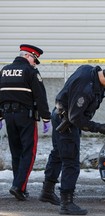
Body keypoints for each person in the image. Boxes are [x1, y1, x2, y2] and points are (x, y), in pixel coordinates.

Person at [39, 64, 105, 215]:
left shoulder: (88, 70)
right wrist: (99, 128)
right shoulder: (86, 89)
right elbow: (75, 118)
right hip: (67, 123)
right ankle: (67, 202)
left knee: (58, 153)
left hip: (59, 115)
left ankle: (47, 191)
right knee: (71, 162)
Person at [0, 44, 51, 201]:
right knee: (29, 152)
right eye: (34, 60)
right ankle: (18, 186)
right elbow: (40, 96)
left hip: (9, 117)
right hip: (25, 117)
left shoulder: (4, 71)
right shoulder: (31, 72)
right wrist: (46, 118)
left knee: (16, 152)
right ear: (28, 56)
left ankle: (19, 187)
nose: (35, 63)